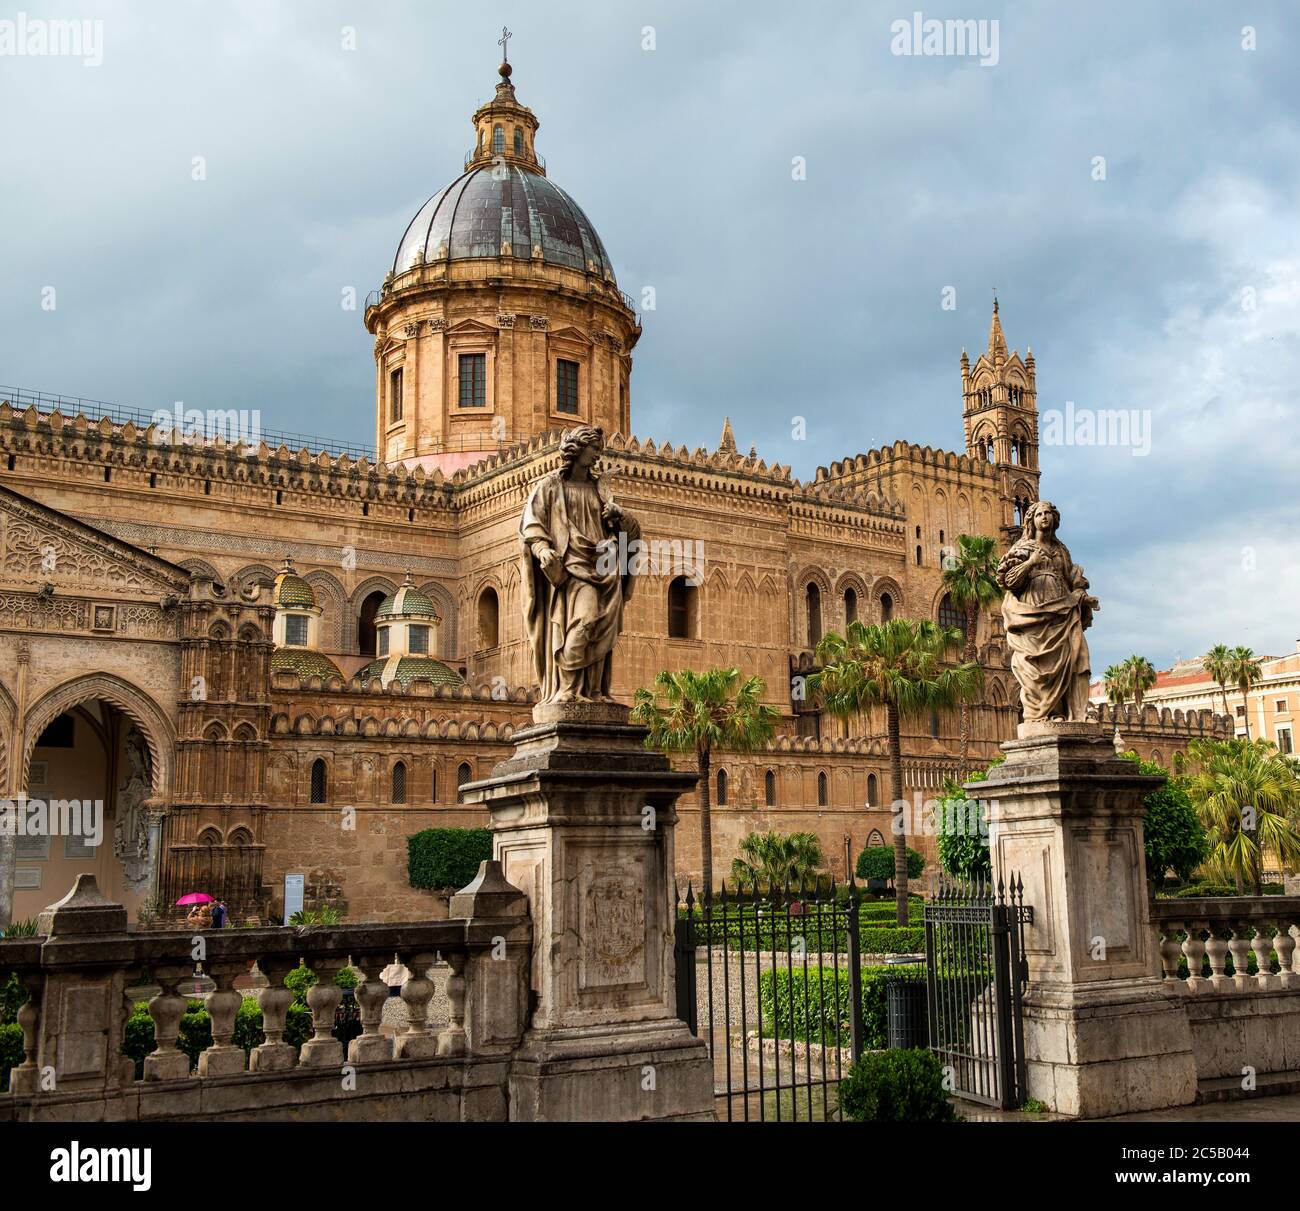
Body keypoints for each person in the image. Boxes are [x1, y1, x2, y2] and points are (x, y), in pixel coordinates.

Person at [520, 426, 642, 702]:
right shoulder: (550, 487)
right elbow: (532, 525)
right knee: (584, 621)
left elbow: (630, 533)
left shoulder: (600, 489)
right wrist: (542, 550)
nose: (598, 454)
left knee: (602, 629)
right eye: (594, 449)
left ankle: (595, 691)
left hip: (605, 567)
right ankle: (567, 689)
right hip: (572, 567)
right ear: (576, 449)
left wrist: (619, 517)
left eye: (599, 449)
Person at [996, 499, 1099, 722]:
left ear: (1055, 519)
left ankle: (1076, 713)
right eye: (1039, 514)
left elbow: (1072, 578)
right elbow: (1008, 580)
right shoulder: (1022, 548)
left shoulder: (1061, 550)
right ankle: (1045, 713)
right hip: (1034, 614)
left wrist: (1082, 594)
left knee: (1077, 656)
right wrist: (1030, 562)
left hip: (1064, 611)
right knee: (1040, 669)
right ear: (1031, 520)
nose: (1044, 517)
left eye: (1048, 513)